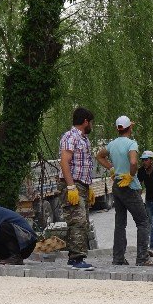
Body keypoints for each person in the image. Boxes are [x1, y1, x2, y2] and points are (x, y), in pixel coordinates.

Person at [95, 115, 153, 266]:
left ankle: (118, 258)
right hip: (129, 186)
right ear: (130, 128)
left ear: (118, 129)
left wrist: (112, 168)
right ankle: (142, 258)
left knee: (120, 223)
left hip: (117, 185)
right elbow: (134, 161)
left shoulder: (112, 144)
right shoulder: (131, 143)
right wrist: (131, 175)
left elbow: (99, 156)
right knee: (143, 222)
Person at [58, 107, 96, 270]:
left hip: (83, 184)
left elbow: (85, 164)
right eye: (91, 122)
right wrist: (71, 186)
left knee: (84, 221)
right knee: (77, 220)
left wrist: (90, 186)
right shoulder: (70, 137)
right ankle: (75, 259)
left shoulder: (84, 139)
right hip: (72, 184)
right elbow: (64, 161)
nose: (92, 126)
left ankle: (79, 256)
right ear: (85, 121)